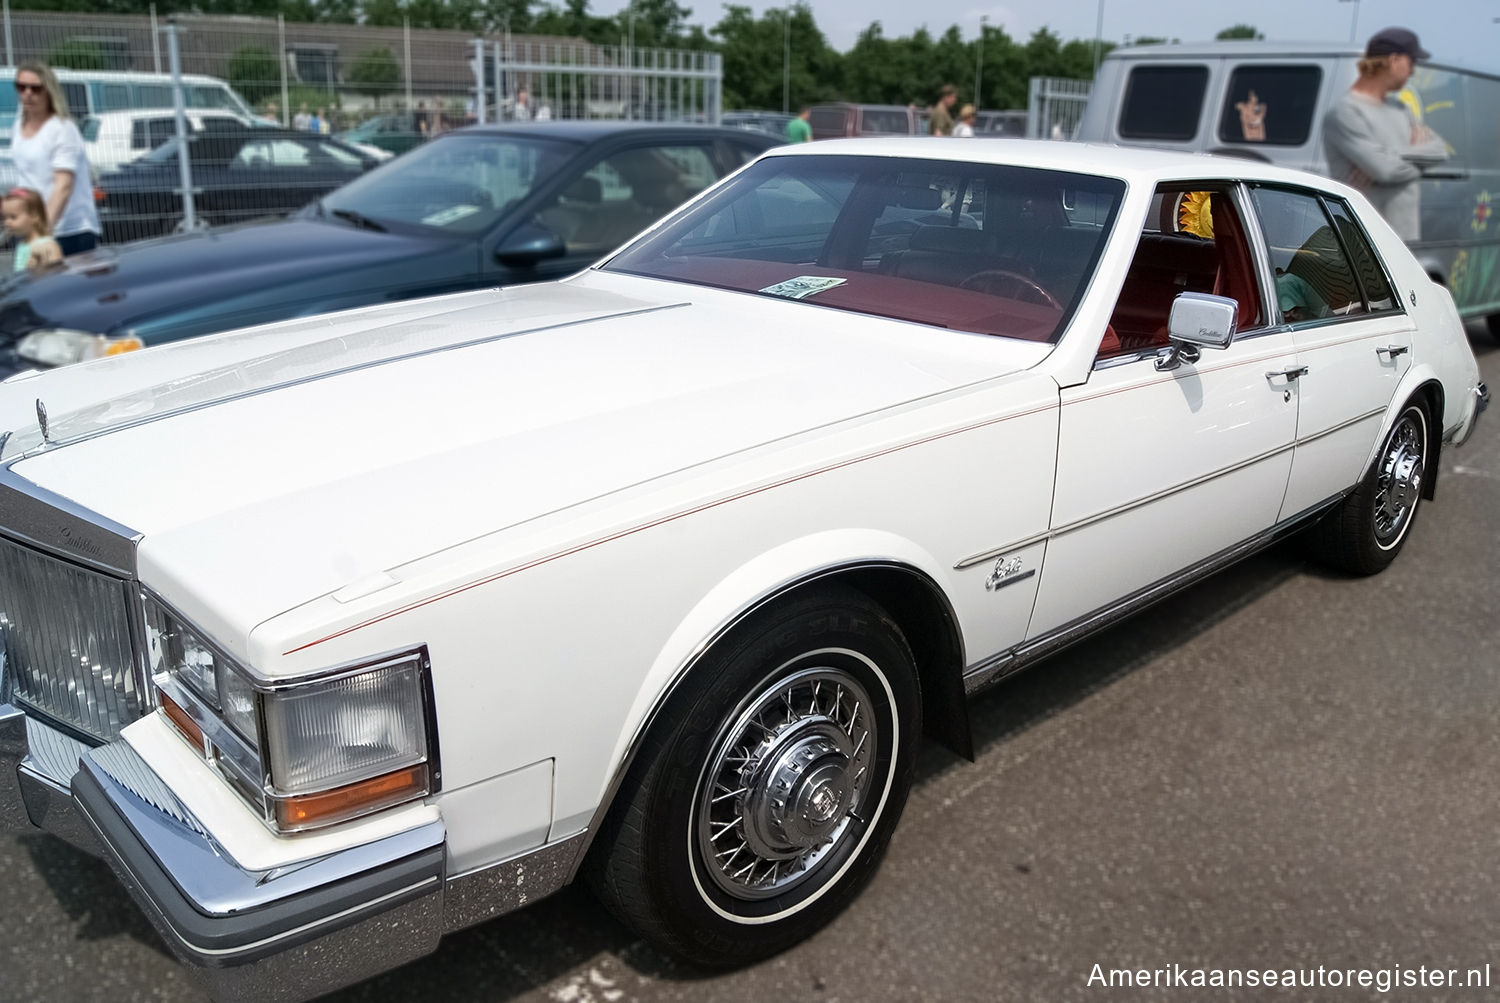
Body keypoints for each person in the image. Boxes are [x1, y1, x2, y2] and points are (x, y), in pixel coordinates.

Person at [1322, 27, 1448, 242]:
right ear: (1393, 60)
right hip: (1365, 239)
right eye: (1411, 63)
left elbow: (1440, 151)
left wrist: (1386, 155)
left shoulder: (1401, 109)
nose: (1412, 72)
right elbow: (1385, 171)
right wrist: (1419, 160)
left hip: (1405, 240)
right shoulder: (1346, 112)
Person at [9, 63, 101, 257]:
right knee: (28, 286)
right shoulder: (18, 127)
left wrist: (43, 233)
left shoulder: (62, 129)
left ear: (49, 91)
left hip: (69, 232)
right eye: (21, 87)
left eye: (35, 89)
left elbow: (63, 186)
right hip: (31, 231)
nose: (27, 93)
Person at [2, 187, 62, 273]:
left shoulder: (48, 245)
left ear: (34, 216)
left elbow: (57, 277)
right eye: (5, 218)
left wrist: (37, 269)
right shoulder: (23, 244)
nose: (7, 222)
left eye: (13, 217)